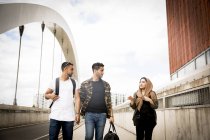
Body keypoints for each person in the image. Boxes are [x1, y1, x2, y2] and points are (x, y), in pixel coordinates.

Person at [45, 62, 80, 140]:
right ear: (65, 69)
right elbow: (46, 95)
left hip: (69, 117)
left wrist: (77, 113)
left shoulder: (74, 82)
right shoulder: (54, 81)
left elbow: (77, 98)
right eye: (71, 69)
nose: (73, 71)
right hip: (55, 116)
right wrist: (51, 96)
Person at [80, 62, 114, 140]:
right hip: (89, 114)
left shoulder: (106, 85)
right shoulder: (85, 84)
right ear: (95, 70)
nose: (103, 72)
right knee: (89, 136)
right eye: (101, 70)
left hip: (102, 115)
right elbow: (81, 99)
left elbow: (109, 101)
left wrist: (111, 116)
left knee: (99, 138)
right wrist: (79, 113)